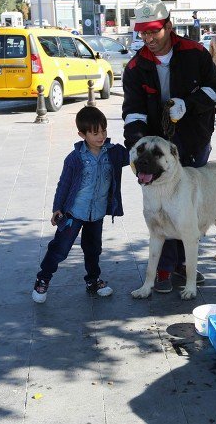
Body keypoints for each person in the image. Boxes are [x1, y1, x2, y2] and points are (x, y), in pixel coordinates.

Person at [122, 0, 216, 294]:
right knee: (161, 204)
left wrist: (189, 104)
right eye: (143, 33)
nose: (148, 39)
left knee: (187, 205)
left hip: (193, 140)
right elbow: (133, 111)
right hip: (159, 152)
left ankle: (183, 264)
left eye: (154, 31)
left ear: (169, 26)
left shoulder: (196, 53)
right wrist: (137, 146)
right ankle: (166, 268)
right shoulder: (135, 66)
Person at [32, 106, 130, 304]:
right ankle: (43, 278)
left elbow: (135, 154)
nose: (101, 136)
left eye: (103, 130)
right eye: (95, 133)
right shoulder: (75, 158)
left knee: (93, 249)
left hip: (97, 213)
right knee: (60, 248)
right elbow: (64, 184)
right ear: (82, 134)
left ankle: (93, 280)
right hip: (73, 213)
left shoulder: (113, 154)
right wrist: (57, 207)